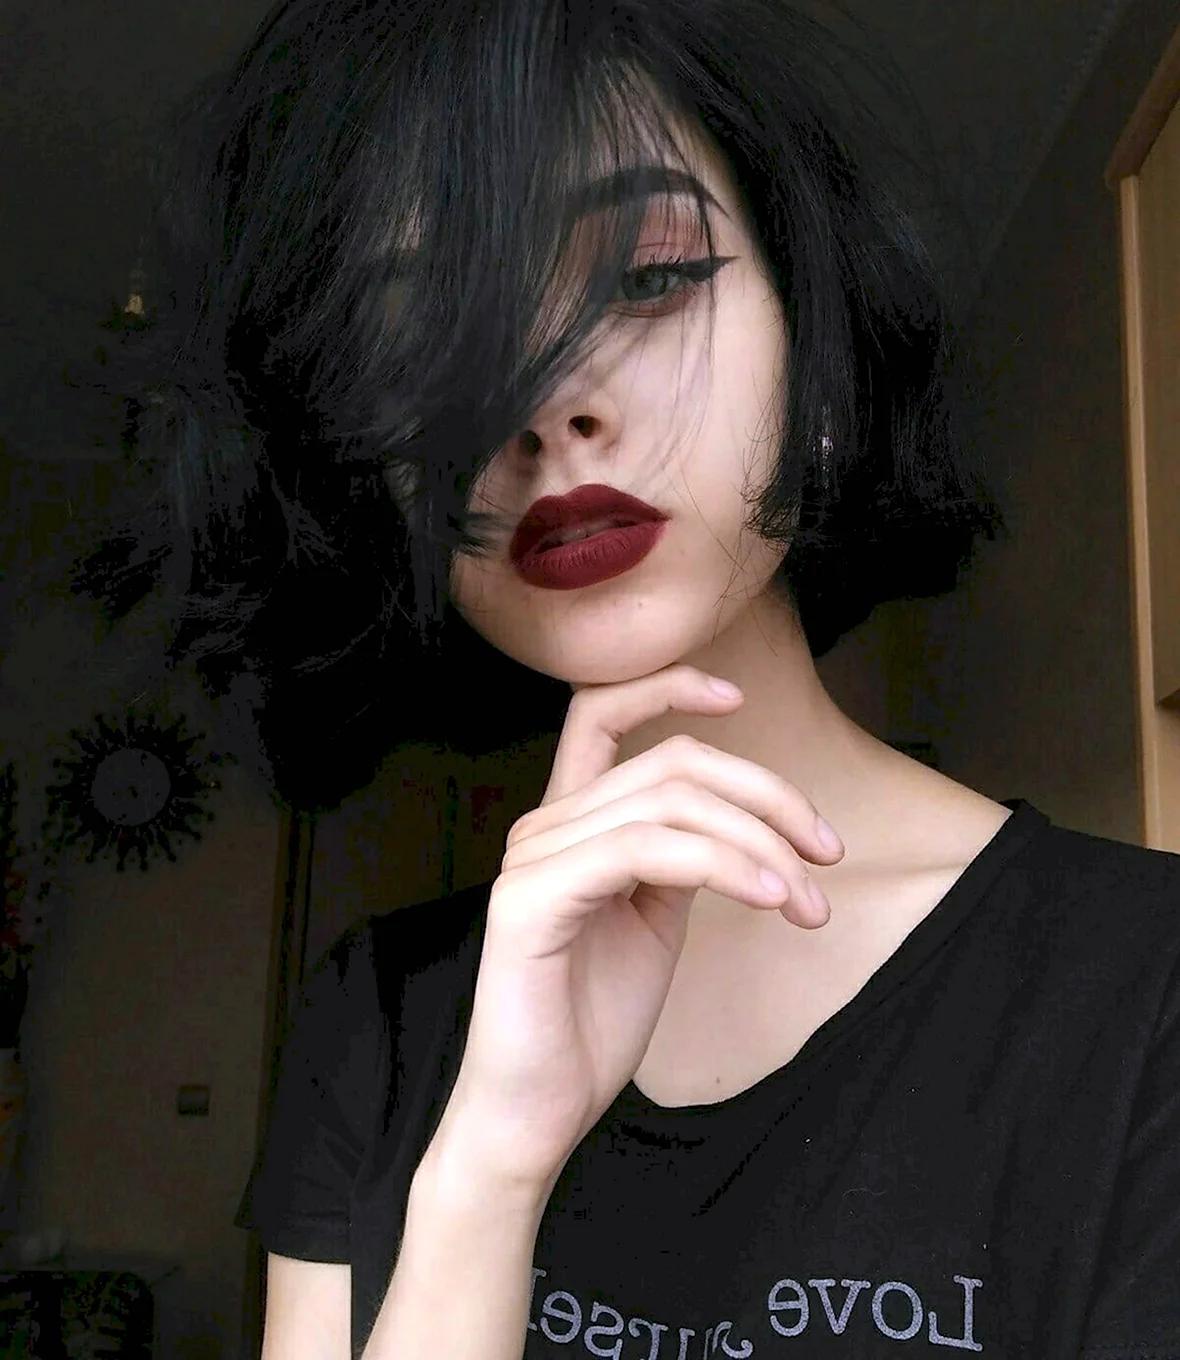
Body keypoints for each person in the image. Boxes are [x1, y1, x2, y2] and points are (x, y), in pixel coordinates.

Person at [69, 1, 1180, 1357]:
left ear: (819, 344)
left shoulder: (1146, 989)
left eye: (647, 281)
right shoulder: (381, 1017)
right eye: (424, 337)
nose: (543, 401)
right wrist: (490, 1168)